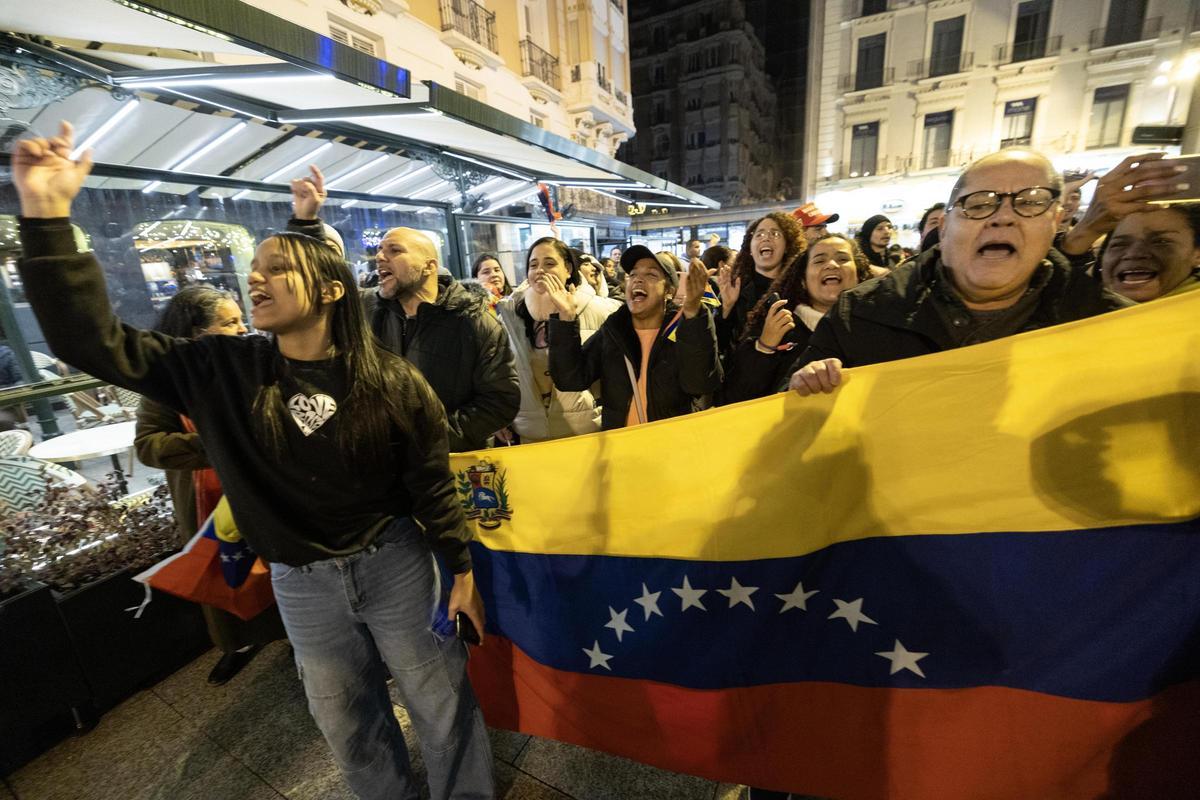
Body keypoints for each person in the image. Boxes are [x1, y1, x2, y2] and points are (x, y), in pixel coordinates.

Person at [13, 122, 493, 800]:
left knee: (441, 705)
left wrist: (462, 570)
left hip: (394, 566)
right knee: (345, 722)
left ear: (328, 292)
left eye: (275, 269)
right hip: (302, 584)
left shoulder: (393, 380)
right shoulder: (218, 371)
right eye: (254, 269)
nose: (254, 281)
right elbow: (93, 343)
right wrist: (47, 218)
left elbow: (431, 483)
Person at [789, 148, 1136, 396]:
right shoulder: (861, 315)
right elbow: (788, 416)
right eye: (980, 204)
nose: (1003, 216)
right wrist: (803, 384)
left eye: (1030, 202)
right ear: (944, 227)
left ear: (1056, 221)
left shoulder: (1111, 328)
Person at [291, 168, 519, 452]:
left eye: (394, 250)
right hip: (380, 467)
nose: (380, 257)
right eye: (380, 250)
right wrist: (306, 224)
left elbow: (500, 401)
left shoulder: (475, 322)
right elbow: (313, 291)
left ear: (429, 266)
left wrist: (432, 440)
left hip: (449, 468)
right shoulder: (365, 308)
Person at [133, 286, 286, 686]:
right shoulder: (166, 379)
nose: (242, 329)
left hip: (258, 493)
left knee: (277, 571)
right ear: (197, 333)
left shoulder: (248, 363)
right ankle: (241, 644)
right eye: (229, 322)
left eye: (241, 319)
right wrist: (216, 441)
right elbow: (149, 445)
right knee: (226, 575)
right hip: (206, 504)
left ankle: (293, 639)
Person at [546, 245, 722, 429]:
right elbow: (570, 379)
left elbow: (700, 384)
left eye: (651, 275)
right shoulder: (614, 330)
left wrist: (694, 311)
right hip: (621, 447)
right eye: (633, 274)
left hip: (671, 445)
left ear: (669, 290)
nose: (638, 280)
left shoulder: (684, 329)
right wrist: (566, 318)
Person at [495, 236, 621, 442]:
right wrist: (500, 416)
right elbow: (500, 373)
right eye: (533, 265)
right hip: (530, 436)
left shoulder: (602, 310)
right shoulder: (510, 316)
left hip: (585, 435)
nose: (540, 271)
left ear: (569, 269)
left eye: (550, 263)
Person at [722, 235, 871, 404]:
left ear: (859, 274)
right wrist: (764, 347)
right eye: (819, 261)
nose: (831, 265)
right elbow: (737, 398)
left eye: (842, 259)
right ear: (803, 281)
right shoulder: (779, 327)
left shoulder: (878, 327)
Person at [716, 212, 807, 354]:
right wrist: (726, 309)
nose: (766, 238)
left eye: (775, 234)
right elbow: (719, 347)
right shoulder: (735, 288)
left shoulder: (801, 288)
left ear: (787, 246)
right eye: (759, 235)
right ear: (750, 248)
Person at [1097, 205, 1200, 302]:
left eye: (1161, 242)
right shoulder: (1087, 306)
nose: (1133, 254)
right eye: (1119, 244)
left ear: (1197, 255)